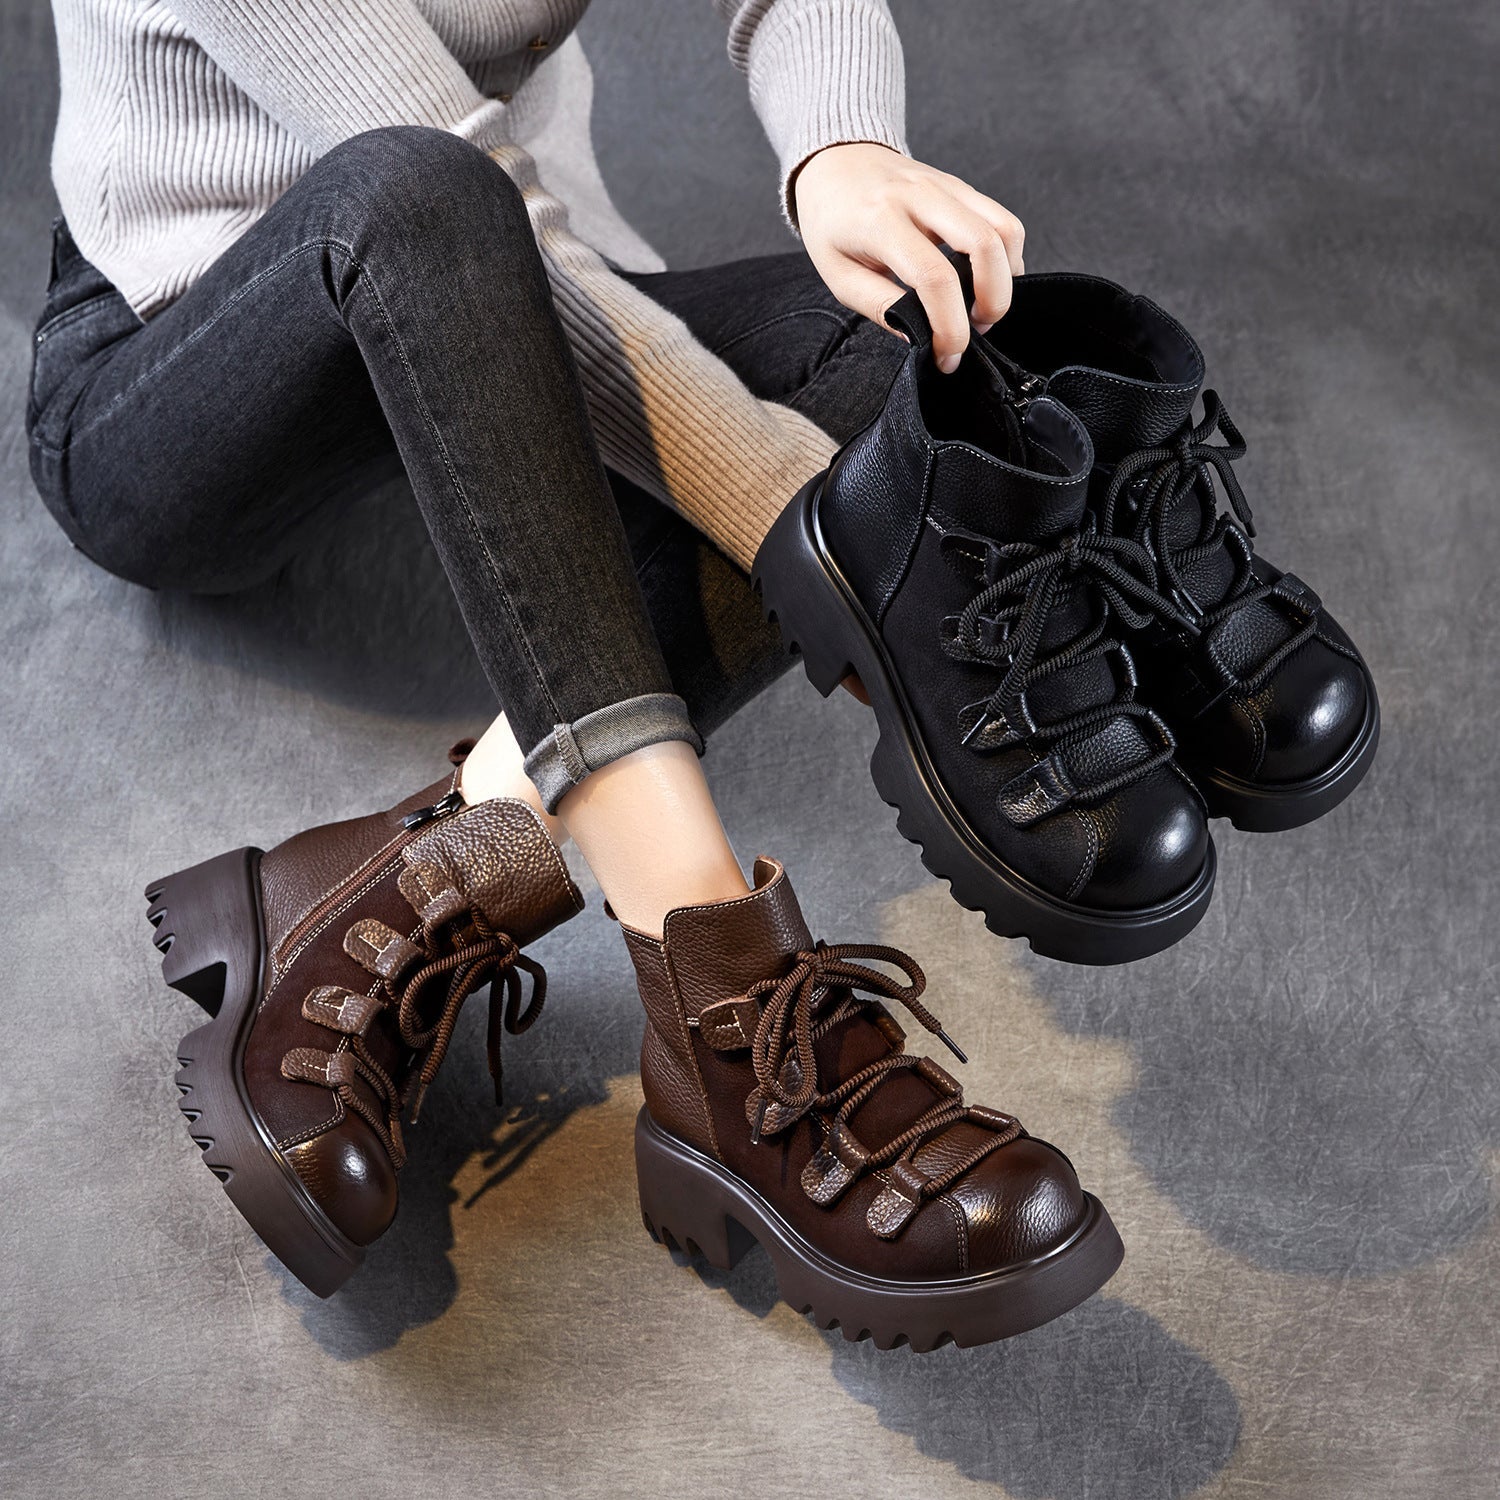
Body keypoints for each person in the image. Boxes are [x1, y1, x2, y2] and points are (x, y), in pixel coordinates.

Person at [27, 0, 1158, 1348]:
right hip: (188, 350)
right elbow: (438, 177)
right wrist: (831, 562)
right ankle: (715, 997)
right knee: (420, 192)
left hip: (499, 297)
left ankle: (412, 879)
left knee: (913, 358)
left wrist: (843, 146)